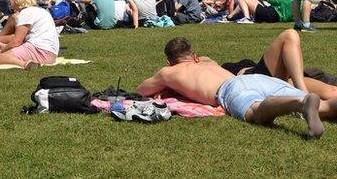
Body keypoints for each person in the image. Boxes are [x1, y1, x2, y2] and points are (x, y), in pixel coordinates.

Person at [136, 37, 332, 137]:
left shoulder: (168, 72)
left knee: (255, 112)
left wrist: (165, 87)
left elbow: (141, 91)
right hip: (256, 78)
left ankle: (300, 102)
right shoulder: (205, 61)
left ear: (169, 60)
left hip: (230, 89)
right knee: (323, 108)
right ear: (192, 54)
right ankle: (311, 103)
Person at [221, 30, 337, 101]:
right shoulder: (225, 69)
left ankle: (303, 95)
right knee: (290, 35)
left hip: (286, 80)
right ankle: (304, 96)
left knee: (332, 91)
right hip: (255, 79)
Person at [0, 0, 59, 68]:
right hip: (50, 55)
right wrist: (5, 46)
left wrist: (1, 51)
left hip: (39, 51)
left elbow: (17, 41)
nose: (8, 0)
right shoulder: (40, 11)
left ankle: (25, 64)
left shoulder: (25, 12)